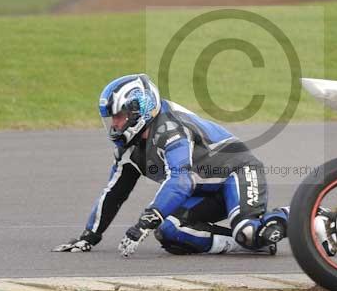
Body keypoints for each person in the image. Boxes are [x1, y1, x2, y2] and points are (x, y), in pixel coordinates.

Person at [53, 74, 289, 256]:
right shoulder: (128, 148)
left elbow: (180, 180)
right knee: (169, 232)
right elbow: (114, 191)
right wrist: (89, 236)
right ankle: (246, 245)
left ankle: (299, 215)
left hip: (237, 173)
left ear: (139, 110)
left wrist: (147, 218)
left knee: (247, 231)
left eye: (119, 117)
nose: (115, 125)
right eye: (112, 119)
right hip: (205, 190)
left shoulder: (170, 129)